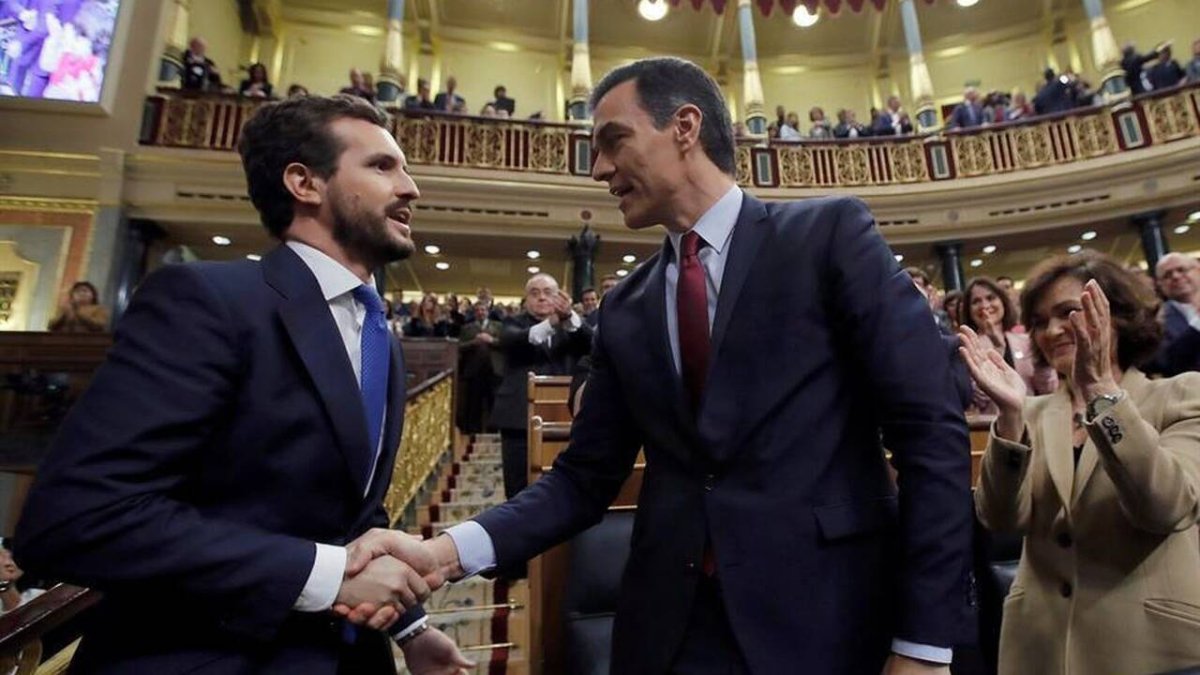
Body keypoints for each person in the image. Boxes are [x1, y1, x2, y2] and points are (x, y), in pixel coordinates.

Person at [401, 57, 976, 674]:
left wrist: (924, 643)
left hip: (831, 618)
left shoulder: (827, 236)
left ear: (685, 126)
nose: (598, 169)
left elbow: (929, 433)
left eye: (612, 141)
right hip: (671, 632)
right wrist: (445, 553)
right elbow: (583, 479)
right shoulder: (625, 307)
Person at [14, 95, 471, 673]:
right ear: (305, 183)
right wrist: (328, 580)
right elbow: (76, 518)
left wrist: (411, 628)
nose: (411, 188)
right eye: (382, 167)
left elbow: (343, 515)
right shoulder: (206, 301)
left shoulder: (376, 329)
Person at [962, 251, 1200, 675]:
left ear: (1118, 318)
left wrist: (1103, 395)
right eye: (1038, 321)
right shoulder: (1029, 413)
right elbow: (999, 518)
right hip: (1040, 650)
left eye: (1067, 313)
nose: (1052, 330)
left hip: (1153, 650)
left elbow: (1166, 507)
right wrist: (1011, 416)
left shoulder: (1181, 395)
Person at [489, 273, 592, 499]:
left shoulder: (573, 328)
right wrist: (551, 323)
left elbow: (594, 344)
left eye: (548, 293)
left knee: (564, 486)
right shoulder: (511, 323)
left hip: (563, 419)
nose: (542, 298)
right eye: (535, 293)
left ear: (559, 298)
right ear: (526, 300)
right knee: (518, 487)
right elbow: (515, 340)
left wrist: (570, 318)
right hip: (518, 420)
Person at [962, 277, 1057, 412]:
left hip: (1034, 422)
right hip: (994, 427)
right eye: (976, 301)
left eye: (990, 298)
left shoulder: (1026, 341)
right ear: (968, 310)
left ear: (1003, 302)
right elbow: (980, 400)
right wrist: (997, 349)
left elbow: (1048, 390)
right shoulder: (967, 348)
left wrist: (1042, 362)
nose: (984, 305)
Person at [1147, 252, 1200, 376]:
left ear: (1198, 270)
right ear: (1159, 284)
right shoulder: (1155, 320)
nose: (1175, 276)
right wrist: (1197, 324)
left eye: (1181, 270)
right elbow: (1165, 361)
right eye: (1167, 275)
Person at [456, 301, 503, 434]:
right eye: (478, 310)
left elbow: (505, 344)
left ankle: (494, 431)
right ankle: (472, 430)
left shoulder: (498, 326)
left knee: (493, 402)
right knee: (473, 402)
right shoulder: (467, 328)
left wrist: (491, 340)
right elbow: (459, 347)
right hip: (474, 370)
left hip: (494, 370)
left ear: (488, 311)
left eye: (483, 310)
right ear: (474, 312)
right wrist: (474, 342)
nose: (481, 312)